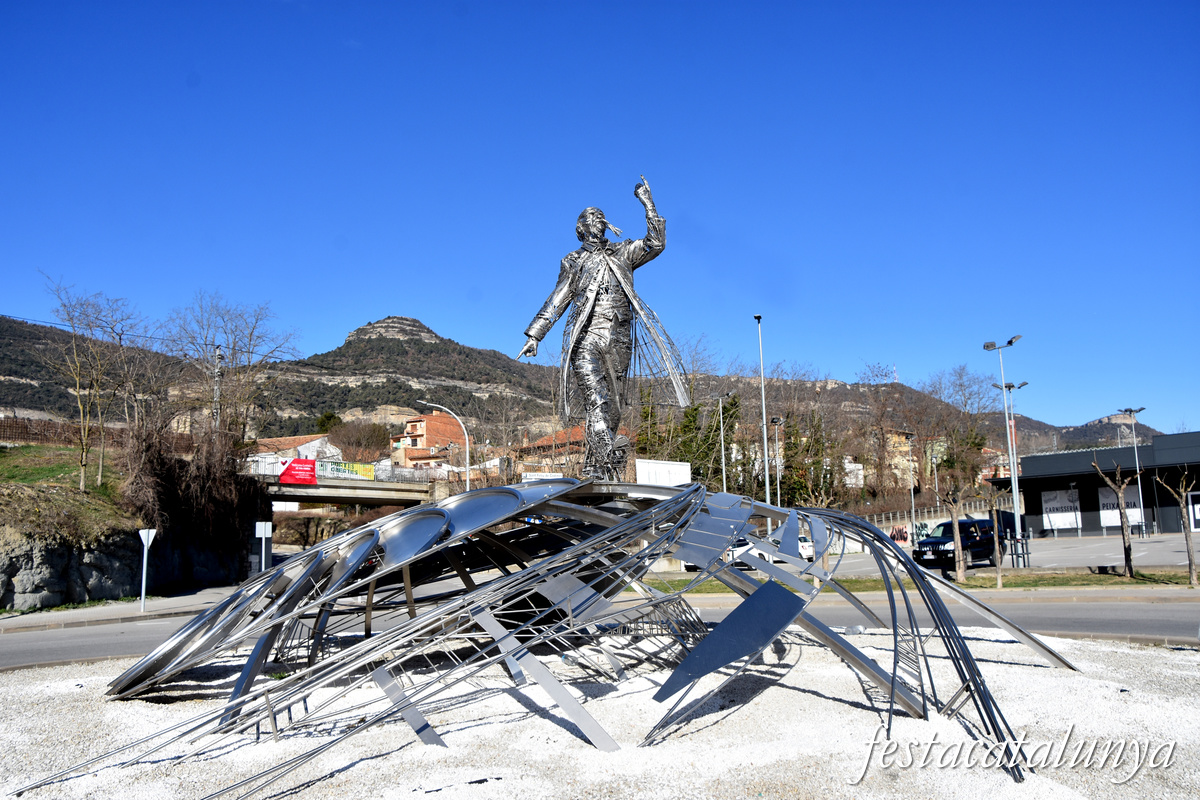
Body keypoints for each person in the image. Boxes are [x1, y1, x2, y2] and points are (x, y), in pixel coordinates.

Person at [518, 178, 688, 479]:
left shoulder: (624, 252)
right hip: (585, 338)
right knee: (597, 400)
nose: (596, 219)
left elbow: (656, 244)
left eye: (600, 216)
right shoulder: (573, 260)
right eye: (589, 217)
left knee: (613, 411)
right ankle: (610, 458)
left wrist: (648, 203)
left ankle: (596, 468)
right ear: (580, 228)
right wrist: (535, 334)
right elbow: (558, 297)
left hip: (619, 338)